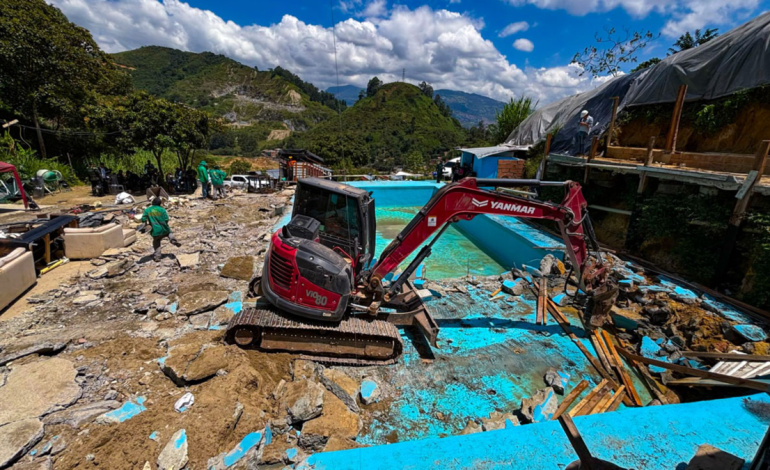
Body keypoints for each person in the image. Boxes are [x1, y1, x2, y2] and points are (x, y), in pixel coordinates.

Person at [141, 197, 181, 262]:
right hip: (164, 228)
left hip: (155, 230)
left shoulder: (147, 210)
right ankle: (173, 240)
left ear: (152, 203)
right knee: (169, 233)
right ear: (160, 204)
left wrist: (145, 224)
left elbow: (143, 219)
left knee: (156, 242)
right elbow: (166, 219)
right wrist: (164, 224)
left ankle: (157, 256)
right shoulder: (162, 209)